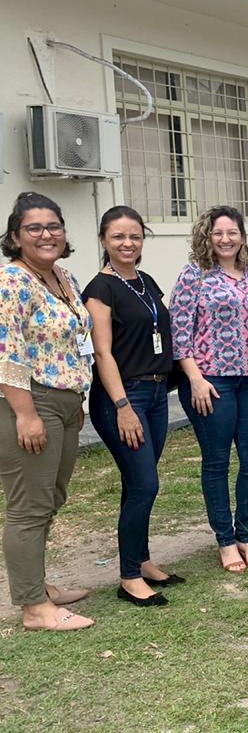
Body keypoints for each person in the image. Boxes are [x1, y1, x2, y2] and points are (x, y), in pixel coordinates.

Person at [0, 193, 94, 631]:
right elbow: (7, 352)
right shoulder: (12, 281)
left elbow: (73, 342)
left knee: (52, 496)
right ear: (16, 237)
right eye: (34, 228)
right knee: (28, 506)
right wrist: (25, 414)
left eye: (53, 226)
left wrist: (76, 398)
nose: (46, 235)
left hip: (64, 400)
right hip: (29, 401)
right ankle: (34, 608)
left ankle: (39, 585)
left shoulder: (62, 276)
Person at [170, 206, 248, 573]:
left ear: (242, 236)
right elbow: (179, 333)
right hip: (210, 382)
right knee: (216, 462)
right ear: (207, 235)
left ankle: (246, 534)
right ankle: (225, 540)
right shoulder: (194, 275)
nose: (225, 239)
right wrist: (195, 379)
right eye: (218, 232)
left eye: (232, 232)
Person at [84, 206, 183, 606]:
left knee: (137, 482)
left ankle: (140, 560)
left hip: (157, 395)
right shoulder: (100, 288)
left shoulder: (145, 281)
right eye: (119, 237)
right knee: (145, 483)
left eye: (135, 236)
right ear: (104, 240)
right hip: (123, 398)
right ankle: (128, 578)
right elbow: (102, 353)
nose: (128, 243)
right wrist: (122, 405)